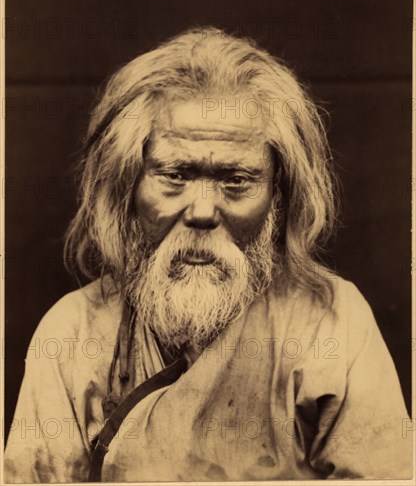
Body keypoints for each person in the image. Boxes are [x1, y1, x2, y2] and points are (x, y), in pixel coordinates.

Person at [4, 28, 412, 482]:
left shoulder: (331, 321)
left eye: (235, 180)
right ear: (129, 185)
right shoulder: (72, 334)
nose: (201, 212)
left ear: (277, 194)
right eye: (175, 174)